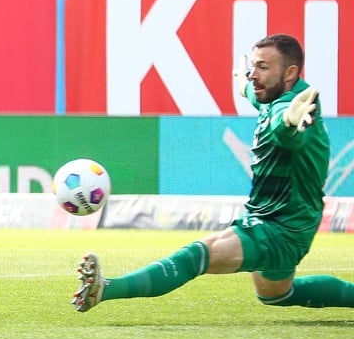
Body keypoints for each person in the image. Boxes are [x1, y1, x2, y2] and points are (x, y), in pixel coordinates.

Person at [73, 34, 354, 313]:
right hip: (277, 216)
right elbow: (250, 92)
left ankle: (105, 288)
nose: (254, 74)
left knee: (199, 255)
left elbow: (287, 131)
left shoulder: (291, 110)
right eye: (252, 66)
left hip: (282, 227)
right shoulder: (270, 95)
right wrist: (241, 80)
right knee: (275, 295)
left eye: (263, 67)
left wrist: (291, 122)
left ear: (290, 73)